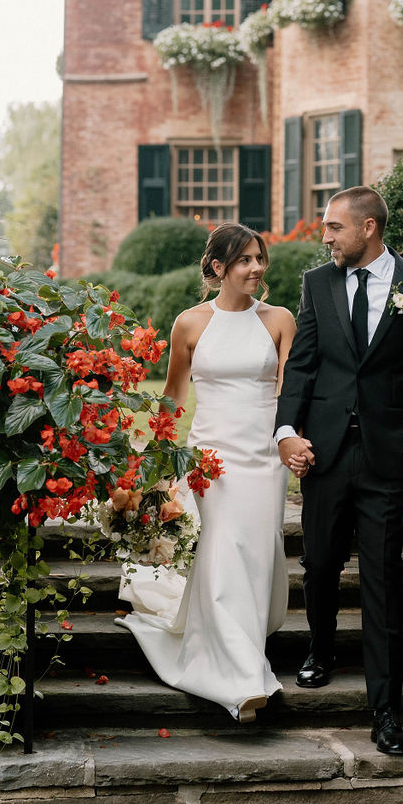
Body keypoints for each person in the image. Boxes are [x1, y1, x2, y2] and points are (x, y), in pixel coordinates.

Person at [274, 186, 403, 756]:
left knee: (382, 576)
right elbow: (300, 366)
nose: (324, 236)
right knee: (320, 562)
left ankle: (386, 712)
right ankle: (320, 650)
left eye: (333, 227)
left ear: (368, 228)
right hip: (322, 452)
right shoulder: (316, 284)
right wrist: (286, 432)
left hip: (386, 455)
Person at [117, 223, 295, 722]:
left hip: (264, 456)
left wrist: (291, 439)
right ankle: (241, 675)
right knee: (221, 554)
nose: (256, 268)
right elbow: (174, 396)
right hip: (210, 459)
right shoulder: (190, 324)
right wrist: (156, 462)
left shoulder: (279, 320)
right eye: (244, 260)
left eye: (260, 258)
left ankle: (244, 642)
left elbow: (292, 391)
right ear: (218, 268)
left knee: (257, 554)